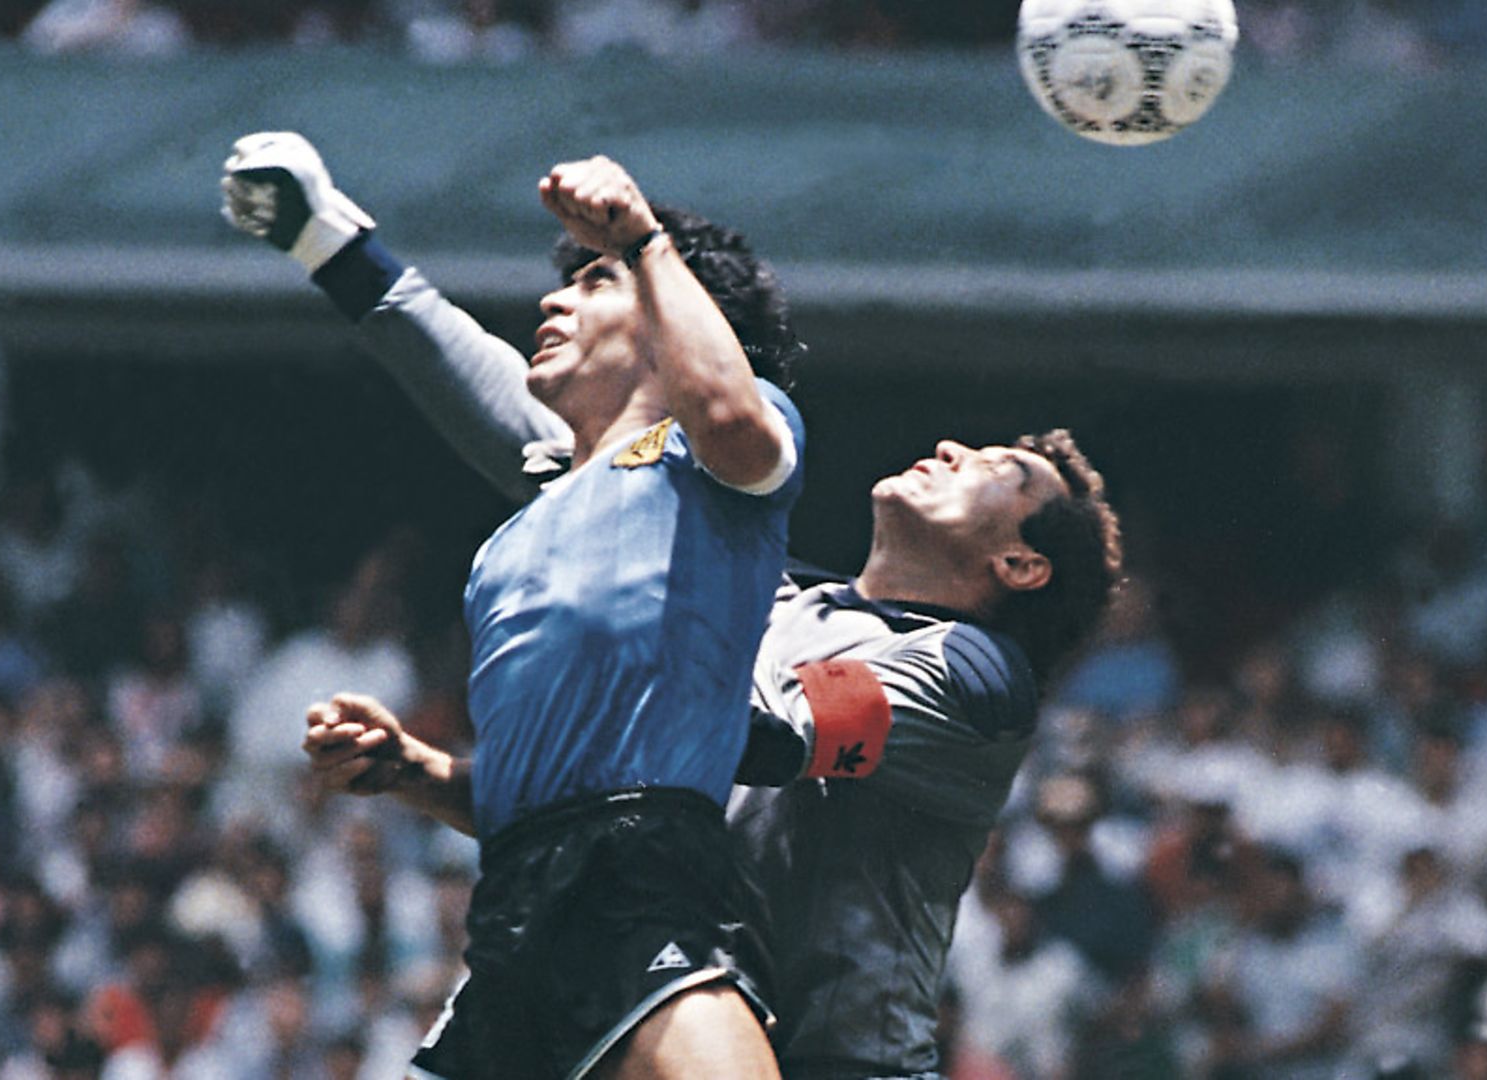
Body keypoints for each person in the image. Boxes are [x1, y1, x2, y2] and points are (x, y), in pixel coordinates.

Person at [224, 133, 1122, 1079]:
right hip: (646, 983)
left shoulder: (972, 678)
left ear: (1022, 565)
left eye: (1002, 471)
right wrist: (429, 774)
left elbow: (753, 740)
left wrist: (616, 602)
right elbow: (599, 779)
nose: (954, 447)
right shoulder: (760, 600)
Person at [221, 132, 805, 1079]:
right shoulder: (523, 535)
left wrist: (648, 242)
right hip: (514, 922)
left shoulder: (721, 464)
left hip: (644, 895)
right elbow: (530, 797)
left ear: (673, 319)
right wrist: (416, 770)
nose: (553, 299)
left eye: (593, 283)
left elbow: (727, 409)